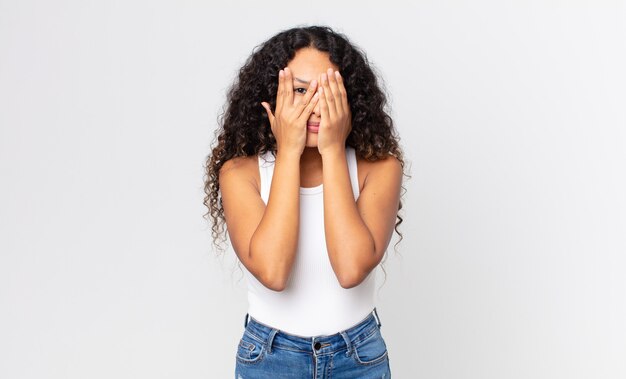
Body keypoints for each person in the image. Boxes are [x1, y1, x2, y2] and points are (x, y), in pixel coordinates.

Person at [203, 25, 406, 379]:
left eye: (328, 90)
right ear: (273, 96)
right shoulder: (240, 174)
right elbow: (273, 272)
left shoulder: (380, 168)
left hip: (358, 358)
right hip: (270, 358)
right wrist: (289, 151)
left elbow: (351, 269)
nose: (314, 106)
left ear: (349, 97)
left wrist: (332, 149)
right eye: (299, 90)